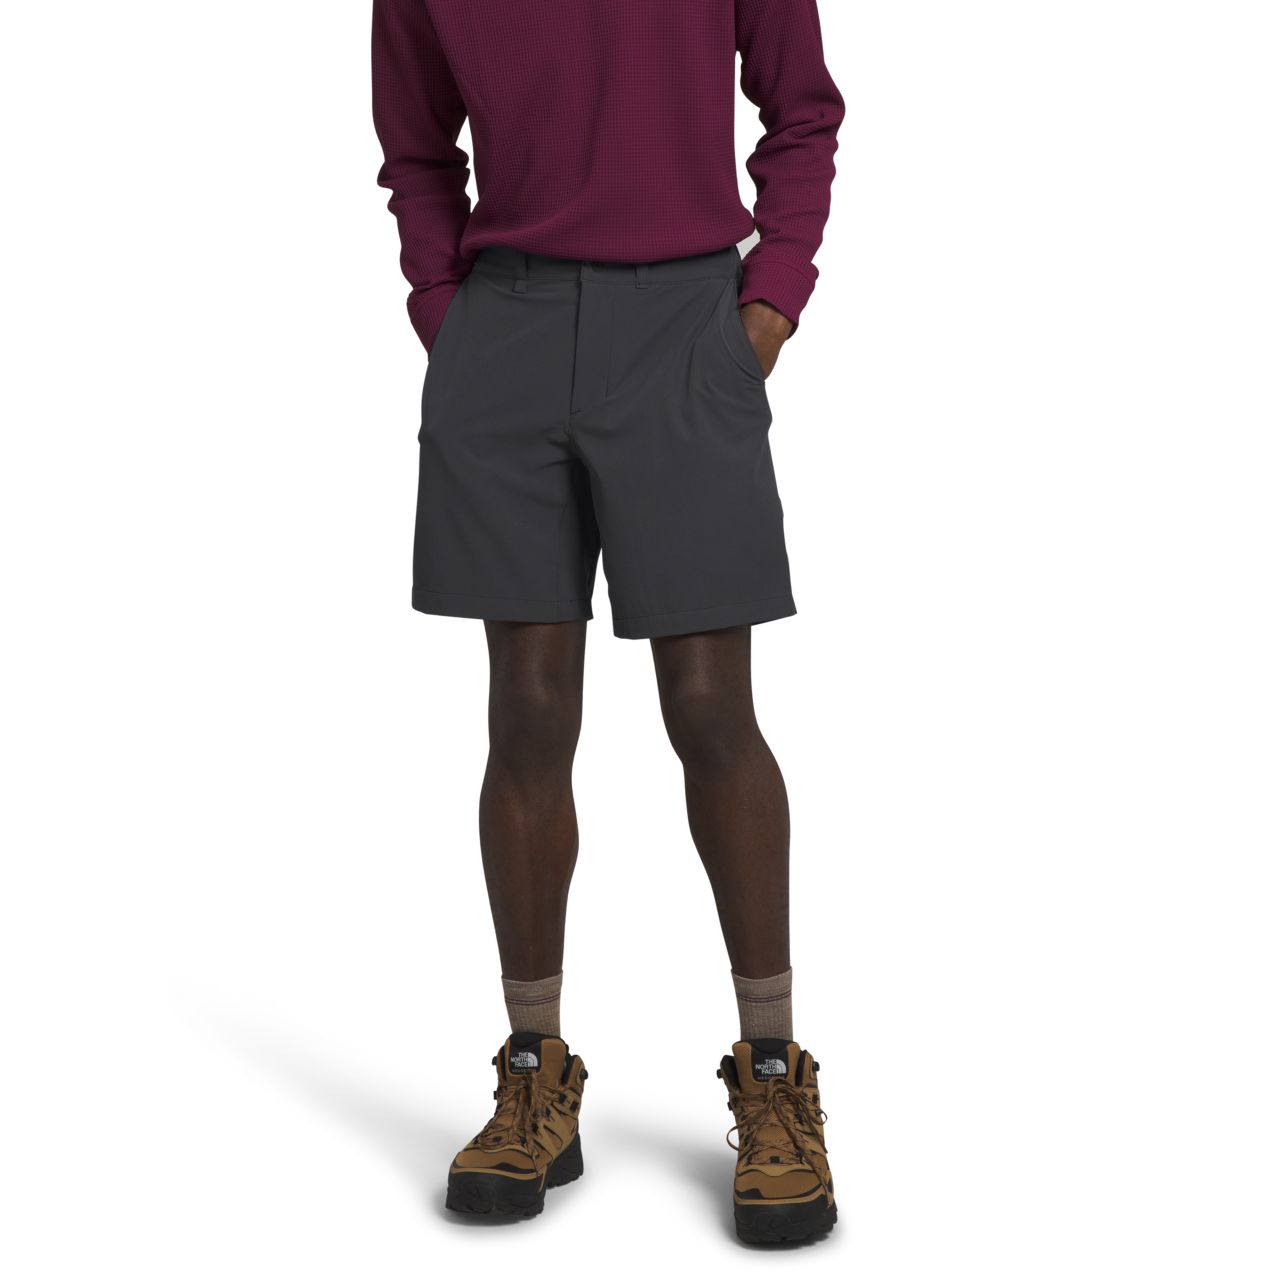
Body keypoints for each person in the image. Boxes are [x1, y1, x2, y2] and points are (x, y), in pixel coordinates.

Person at [372, 0, 844, 1244]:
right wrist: (445, 310)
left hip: (686, 319)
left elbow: (800, 111)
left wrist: (769, 301)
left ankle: (774, 1071)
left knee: (708, 705)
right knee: (526, 711)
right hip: (505, 329)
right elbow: (416, 148)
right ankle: (534, 1072)